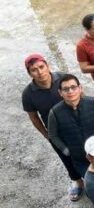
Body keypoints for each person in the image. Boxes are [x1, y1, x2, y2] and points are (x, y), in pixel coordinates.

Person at [47, 74, 94, 208]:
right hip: (80, 159)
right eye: (65, 89)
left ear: (80, 88)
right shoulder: (55, 112)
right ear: (60, 93)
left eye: (73, 87)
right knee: (92, 185)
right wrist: (67, 150)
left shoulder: (93, 103)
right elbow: (53, 135)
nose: (70, 91)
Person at [22, 55, 81, 200]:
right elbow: (33, 117)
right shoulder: (28, 94)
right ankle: (77, 181)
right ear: (30, 73)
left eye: (41, 67)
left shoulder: (63, 78)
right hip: (55, 132)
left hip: (77, 124)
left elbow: (80, 95)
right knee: (65, 156)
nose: (40, 72)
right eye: (34, 70)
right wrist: (46, 134)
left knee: (85, 150)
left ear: (47, 66)